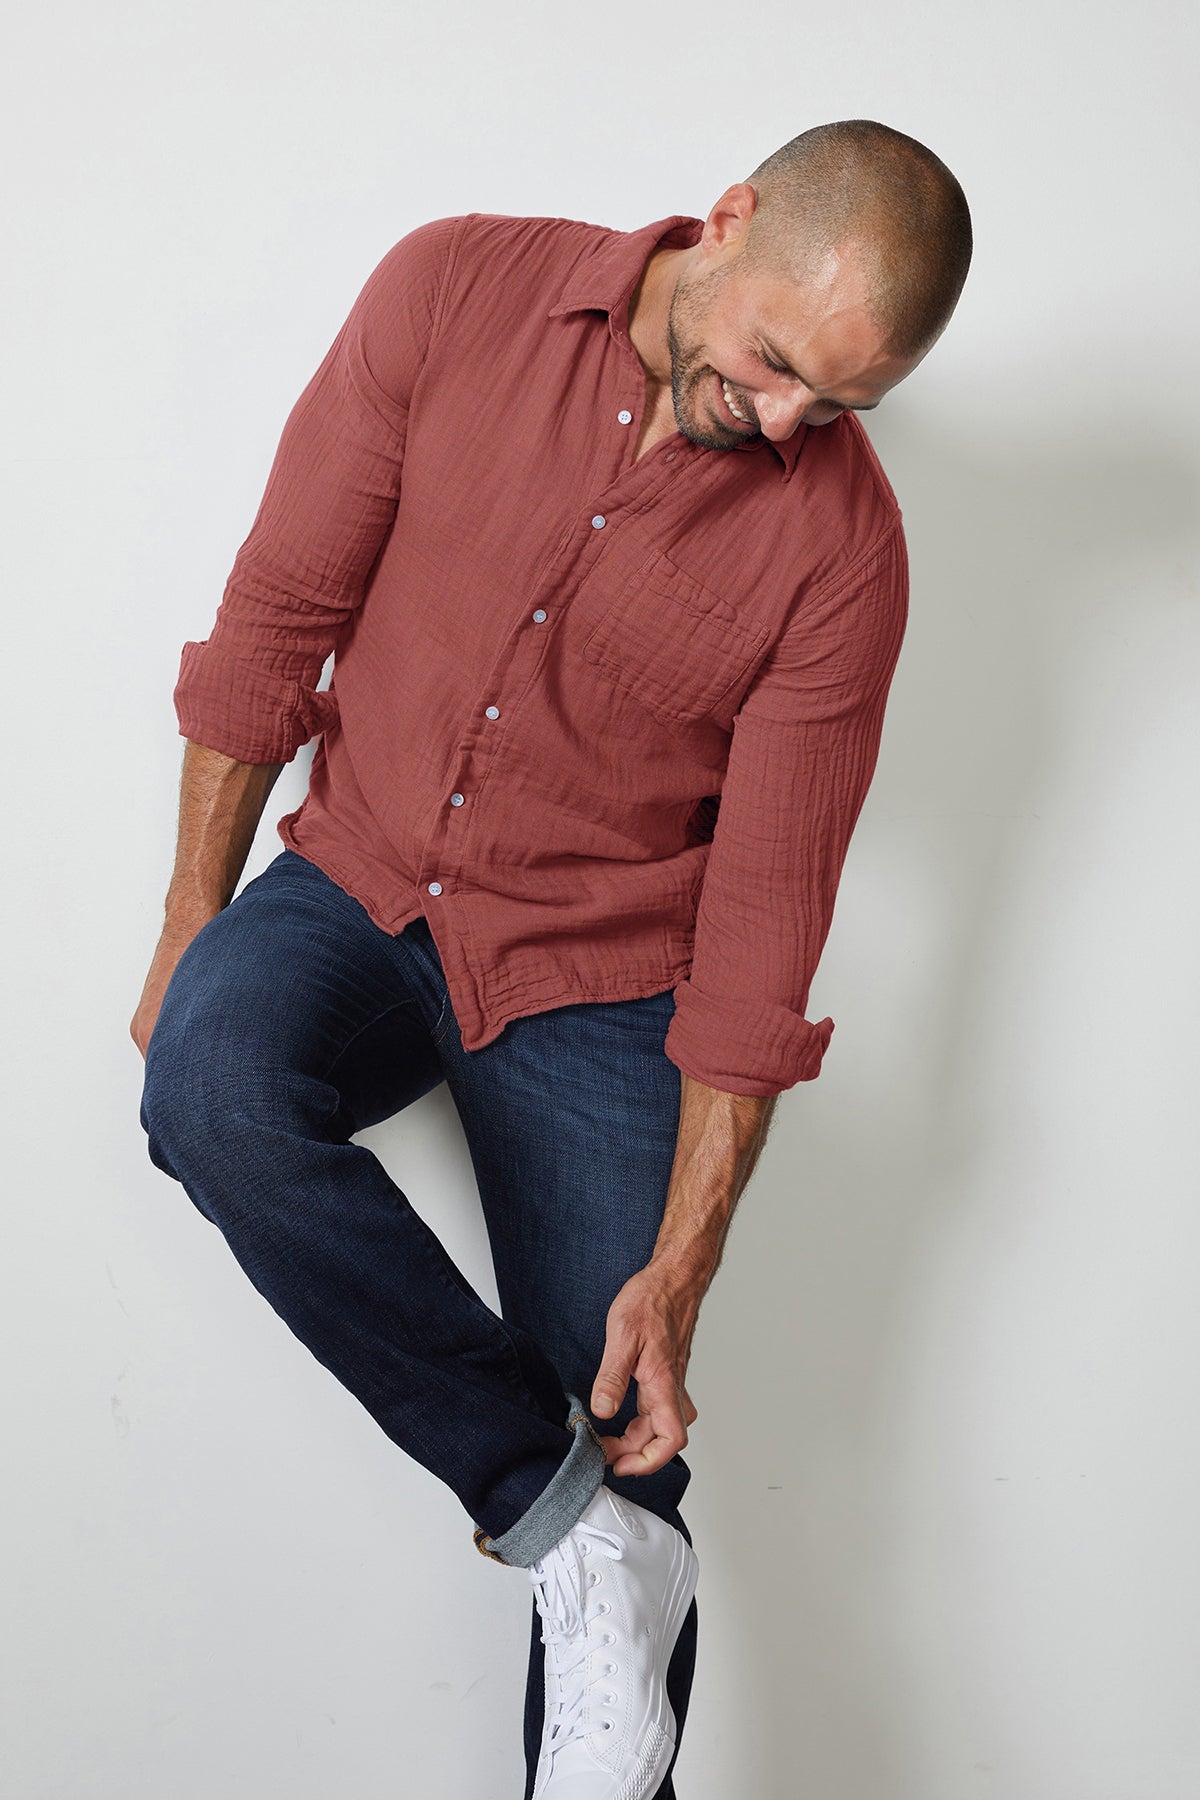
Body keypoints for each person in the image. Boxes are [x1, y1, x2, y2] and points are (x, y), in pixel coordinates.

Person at [131, 118, 971, 1800]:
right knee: (208, 1087)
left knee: (630, 1410)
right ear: (725, 223)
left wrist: (687, 1261)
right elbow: (280, 617)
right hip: (357, 879)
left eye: (844, 407)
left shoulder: (843, 551)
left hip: (603, 972)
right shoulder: (455, 290)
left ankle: (602, 1571)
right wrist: (187, 931)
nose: (795, 421)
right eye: (778, 367)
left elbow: (763, 922)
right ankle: (566, 1523)